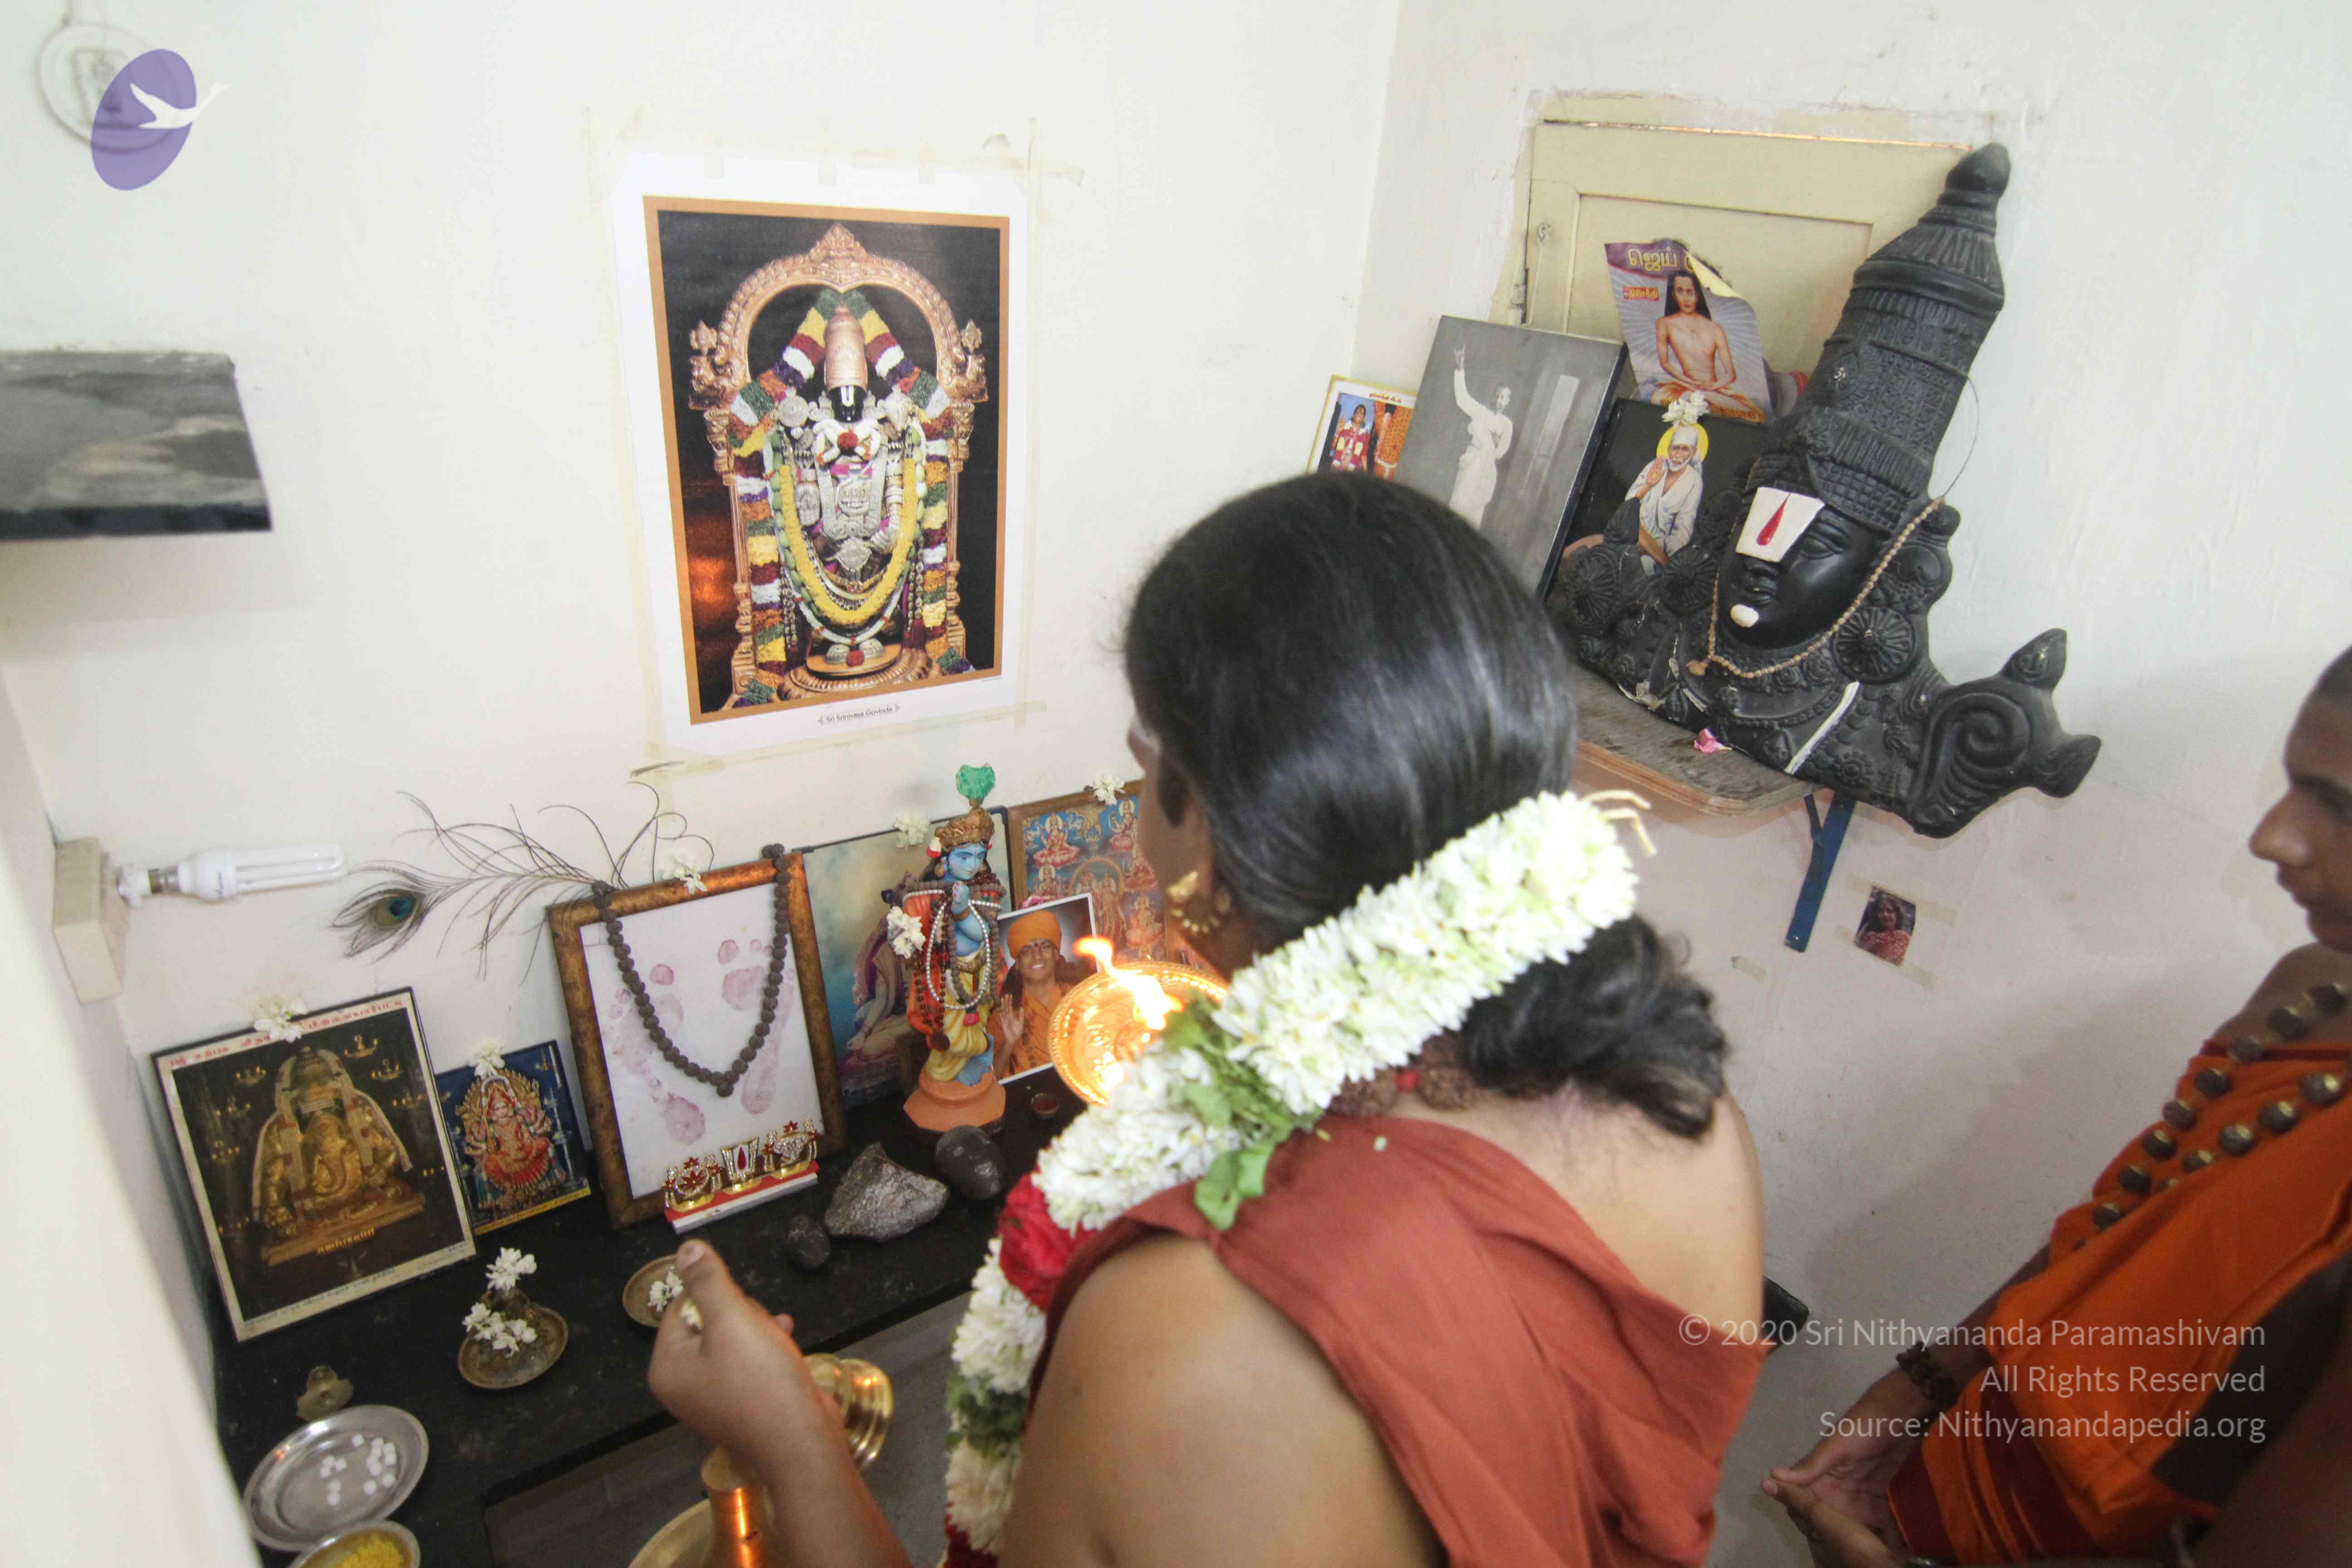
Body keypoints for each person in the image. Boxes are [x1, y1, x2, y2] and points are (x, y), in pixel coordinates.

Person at [648, 473, 1767, 1568]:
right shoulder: (1686, 1117)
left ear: (1227, 838)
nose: (1141, 833)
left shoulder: (1188, 1339)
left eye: (1147, 773)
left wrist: (786, 1435)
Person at [1765, 645, 2352, 1567]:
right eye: (2289, 786)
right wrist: (1916, 1390)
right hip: (1942, 1482)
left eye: (2338, 808)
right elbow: (2112, 1231)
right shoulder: (2306, 987)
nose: (2272, 837)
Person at [1652, 269, 1762, 422]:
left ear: (1698, 295)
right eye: (1680, 291)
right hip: (1686, 387)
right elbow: (1665, 363)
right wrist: (1690, 382)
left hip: (1714, 390)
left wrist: (1713, 387)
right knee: (1659, 403)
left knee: (1753, 417)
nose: (1686, 299)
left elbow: (1731, 374)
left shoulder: (1715, 329)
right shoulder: (1664, 324)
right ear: (1673, 294)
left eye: (1690, 292)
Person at [991, 908, 1085, 1078]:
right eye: (1027, 951)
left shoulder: (1082, 999)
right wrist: (1009, 1044)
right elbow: (989, 1081)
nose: (1037, 956)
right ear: (1017, 963)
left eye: (1045, 947)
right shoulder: (1003, 1015)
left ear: (1056, 954)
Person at [1448, 343, 1514, 525]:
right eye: (1497, 396)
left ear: (1508, 401)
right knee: (1458, 506)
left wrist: (1495, 442)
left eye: (1503, 397)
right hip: (1472, 462)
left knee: (1474, 515)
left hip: (1486, 469)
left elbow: (1500, 452)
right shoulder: (1481, 412)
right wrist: (1460, 368)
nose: (1499, 400)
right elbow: (1462, 399)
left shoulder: (1507, 425)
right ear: (1493, 396)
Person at [1629, 420, 1705, 570]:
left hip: (1656, 552)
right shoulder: (1655, 466)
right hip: (1630, 534)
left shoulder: (1694, 482)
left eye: (1685, 449)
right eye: (1675, 448)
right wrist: (1649, 485)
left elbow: (1683, 527)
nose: (1678, 455)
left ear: (1693, 452)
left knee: (1646, 566)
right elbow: (1628, 504)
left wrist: (1672, 560)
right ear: (1669, 448)